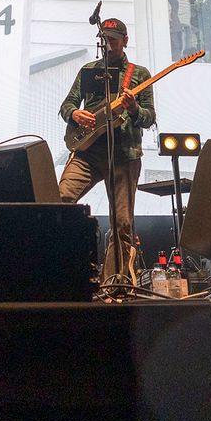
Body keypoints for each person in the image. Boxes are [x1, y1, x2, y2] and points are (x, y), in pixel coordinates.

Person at [59, 17, 155, 280]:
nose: (109, 45)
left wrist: (134, 108)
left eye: (114, 40)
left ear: (125, 41)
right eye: (105, 40)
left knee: (122, 223)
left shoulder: (139, 74)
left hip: (124, 155)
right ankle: (64, 272)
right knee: (60, 200)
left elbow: (149, 117)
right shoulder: (88, 70)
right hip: (88, 152)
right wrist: (75, 114)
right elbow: (67, 105)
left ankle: (115, 284)